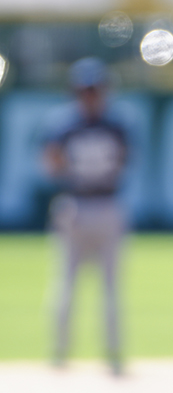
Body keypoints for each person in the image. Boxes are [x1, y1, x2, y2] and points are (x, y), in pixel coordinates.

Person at [42, 57, 130, 375]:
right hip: (104, 204)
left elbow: (51, 164)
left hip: (78, 204)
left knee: (68, 283)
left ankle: (61, 354)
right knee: (104, 287)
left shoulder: (65, 124)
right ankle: (112, 354)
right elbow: (124, 160)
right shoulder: (116, 124)